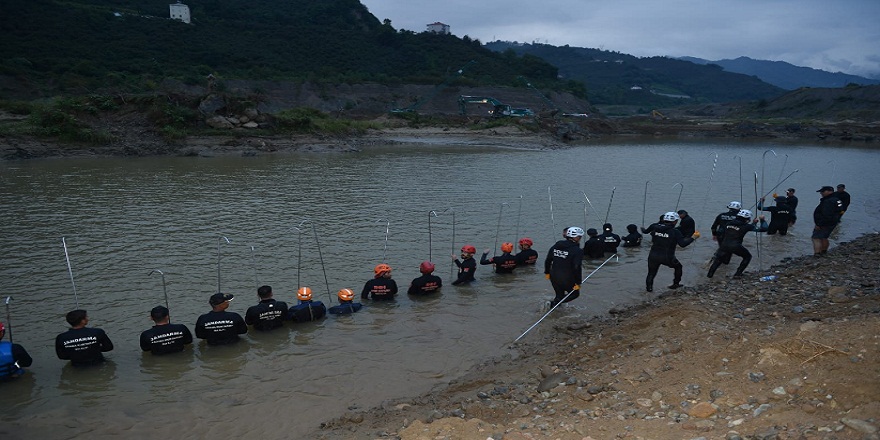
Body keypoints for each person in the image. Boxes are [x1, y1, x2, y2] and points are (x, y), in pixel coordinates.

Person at [642, 212, 698, 292]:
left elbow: (645, 231)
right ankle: (675, 284)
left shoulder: (654, 226)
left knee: (651, 273)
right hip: (667, 257)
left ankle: (649, 291)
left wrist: (642, 229)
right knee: (678, 267)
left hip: (653, 255)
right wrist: (693, 237)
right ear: (675, 221)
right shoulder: (675, 232)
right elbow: (682, 244)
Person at [707, 209, 759, 278]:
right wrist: (762, 220)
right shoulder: (746, 226)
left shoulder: (729, 223)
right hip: (736, 246)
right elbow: (764, 229)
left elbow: (720, 232)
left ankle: (709, 276)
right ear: (747, 218)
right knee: (747, 257)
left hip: (724, 245)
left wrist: (715, 235)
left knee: (717, 261)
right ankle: (738, 274)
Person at [544, 226, 584, 308]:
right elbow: (576, 267)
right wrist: (578, 282)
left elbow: (548, 259)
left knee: (559, 294)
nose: (580, 238)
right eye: (579, 237)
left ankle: (554, 309)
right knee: (575, 294)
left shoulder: (557, 245)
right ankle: (554, 304)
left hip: (554, 275)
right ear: (575, 237)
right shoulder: (577, 250)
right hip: (566, 277)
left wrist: (547, 272)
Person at [812, 186, 843, 256]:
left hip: (825, 223)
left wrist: (819, 224)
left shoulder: (828, 201)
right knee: (824, 237)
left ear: (829, 191)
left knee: (816, 238)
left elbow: (826, 215)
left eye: (822, 191)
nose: (821, 193)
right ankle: (824, 251)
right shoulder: (837, 199)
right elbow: (840, 211)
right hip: (833, 222)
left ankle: (817, 254)